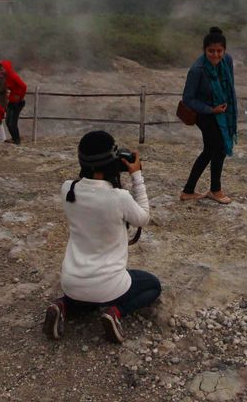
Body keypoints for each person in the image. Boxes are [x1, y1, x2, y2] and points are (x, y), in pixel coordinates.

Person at [42, 131, 160, 344]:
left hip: (71, 283)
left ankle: (62, 305)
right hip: (108, 286)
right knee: (152, 285)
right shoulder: (119, 198)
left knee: (85, 295)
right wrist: (136, 175)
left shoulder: (68, 189)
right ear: (112, 162)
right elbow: (143, 218)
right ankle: (115, 312)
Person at [180, 26, 238, 204]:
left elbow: (229, 84)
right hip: (205, 114)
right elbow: (188, 99)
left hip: (222, 112)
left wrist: (226, 105)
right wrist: (212, 109)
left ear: (225, 50)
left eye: (219, 51)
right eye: (211, 51)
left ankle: (188, 190)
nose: (215, 55)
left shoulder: (227, 60)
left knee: (210, 150)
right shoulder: (197, 70)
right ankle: (215, 190)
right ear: (204, 50)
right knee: (217, 149)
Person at [0, 60, 27, 144]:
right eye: (0, 69)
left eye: (2, 68)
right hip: (11, 101)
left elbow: (23, 86)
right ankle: (14, 138)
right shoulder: (6, 76)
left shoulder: (13, 75)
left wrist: (20, 97)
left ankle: (17, 140)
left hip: (17, 102)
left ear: (7, 67)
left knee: (12, 122)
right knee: (8, 121)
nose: (1, 70)